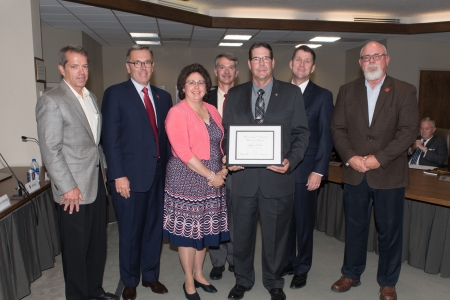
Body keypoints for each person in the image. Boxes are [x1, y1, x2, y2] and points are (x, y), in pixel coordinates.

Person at [330, 41, 419, 300]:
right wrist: (350, 157)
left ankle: (388, 282)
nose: (371, 61)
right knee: (355, 228)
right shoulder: (347, 91)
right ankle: (351, 273)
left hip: (389, 174)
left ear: (386, 59)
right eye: (366, 57)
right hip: (355, 172)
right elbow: (338, 129)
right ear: (360, 63)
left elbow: (407, 132)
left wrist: (378, 159)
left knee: (390, 231)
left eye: (377, 56)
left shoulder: (404, 90)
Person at [222, 42, 310, 300]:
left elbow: (301, 134)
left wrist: (290, 161)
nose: (261, 63)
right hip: (243, 179)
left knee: (276, 236)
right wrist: (230, 156)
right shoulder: (235, 95)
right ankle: (243, 280)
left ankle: (274, 281)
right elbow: (227, 134)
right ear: (249, 64)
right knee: (241, 235)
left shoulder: (292, 93)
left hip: (277, 179)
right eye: (256, 59)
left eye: (266, 59)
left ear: (273, 62)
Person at [36, 45, 118, 300]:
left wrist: (103, 168)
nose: (81, 71)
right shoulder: (52, 100)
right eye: (74, 66)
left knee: (97, 246)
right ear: (62, 69)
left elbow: (95, 142)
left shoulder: (91, 98)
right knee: (75, 251)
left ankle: (94, 291)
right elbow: (50, 149)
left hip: (95, 184)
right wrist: (67, 186)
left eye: (84, 66)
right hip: (72, 191)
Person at [101, 45, 172, 300]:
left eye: (147, 63)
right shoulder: (115, 94)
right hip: (128, 178)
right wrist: (118, 175)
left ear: (153, 66)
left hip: (157, 176)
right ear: (128, 66)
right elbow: (110, 139)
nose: (143, 67)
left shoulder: (164, 98)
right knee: (131, 231)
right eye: (137, 63)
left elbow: (166, 139)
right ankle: (130, 280)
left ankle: (151, 276)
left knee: (154, 229)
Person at [163, 63, 230, 300]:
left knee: (203, 232)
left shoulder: (212, 109)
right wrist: (212, 175)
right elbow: (183, 151)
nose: (196, 86)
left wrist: (222, 168)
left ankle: (200, 274)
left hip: (212, 180)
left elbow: (218, 144)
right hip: (187, 179)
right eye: (190, 82)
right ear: (182, 86)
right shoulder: (177, 112)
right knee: (188, 234)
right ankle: (188, 280)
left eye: (200, 82)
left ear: (206, 87)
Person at [281, 45, 334, 289]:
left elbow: (325, 136)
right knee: (285, 221)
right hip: (280, 170)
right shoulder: (278, 92)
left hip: (307, 171)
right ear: (291, 64)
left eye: (307, 61)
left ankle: (302, 268)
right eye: (298, 60)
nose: (302, 65)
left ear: (312, 68)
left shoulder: (323, 96)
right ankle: (288, 262)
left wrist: (319, 171)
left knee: (303, 222)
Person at [208, 53, 239, 280]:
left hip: (239, 168)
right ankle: (217, 261)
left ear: (236, 72)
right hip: (210, 168)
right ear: (216, 71)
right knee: (215, 215)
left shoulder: (246, 95)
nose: (226, 71)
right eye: (222, 67)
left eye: (230, 68)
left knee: (238, 216)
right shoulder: (202, 97)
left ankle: (236, 259)